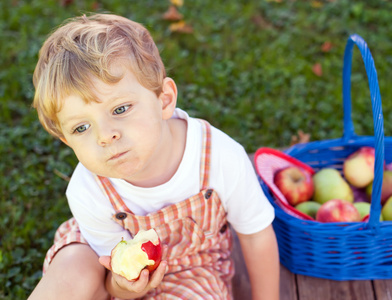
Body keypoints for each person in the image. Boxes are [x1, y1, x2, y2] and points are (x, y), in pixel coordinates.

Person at [28, 13, 279, 300]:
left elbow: (257, 235)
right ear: (66, 140)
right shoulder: (88, 191)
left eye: (120, 109)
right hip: (105, 262)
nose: (104, 136)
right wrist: (122, 287)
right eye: (81, 127)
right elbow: (114, 278)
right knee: (73, 271)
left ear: (164, 100)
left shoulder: (218, 158)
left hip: (192, 267)